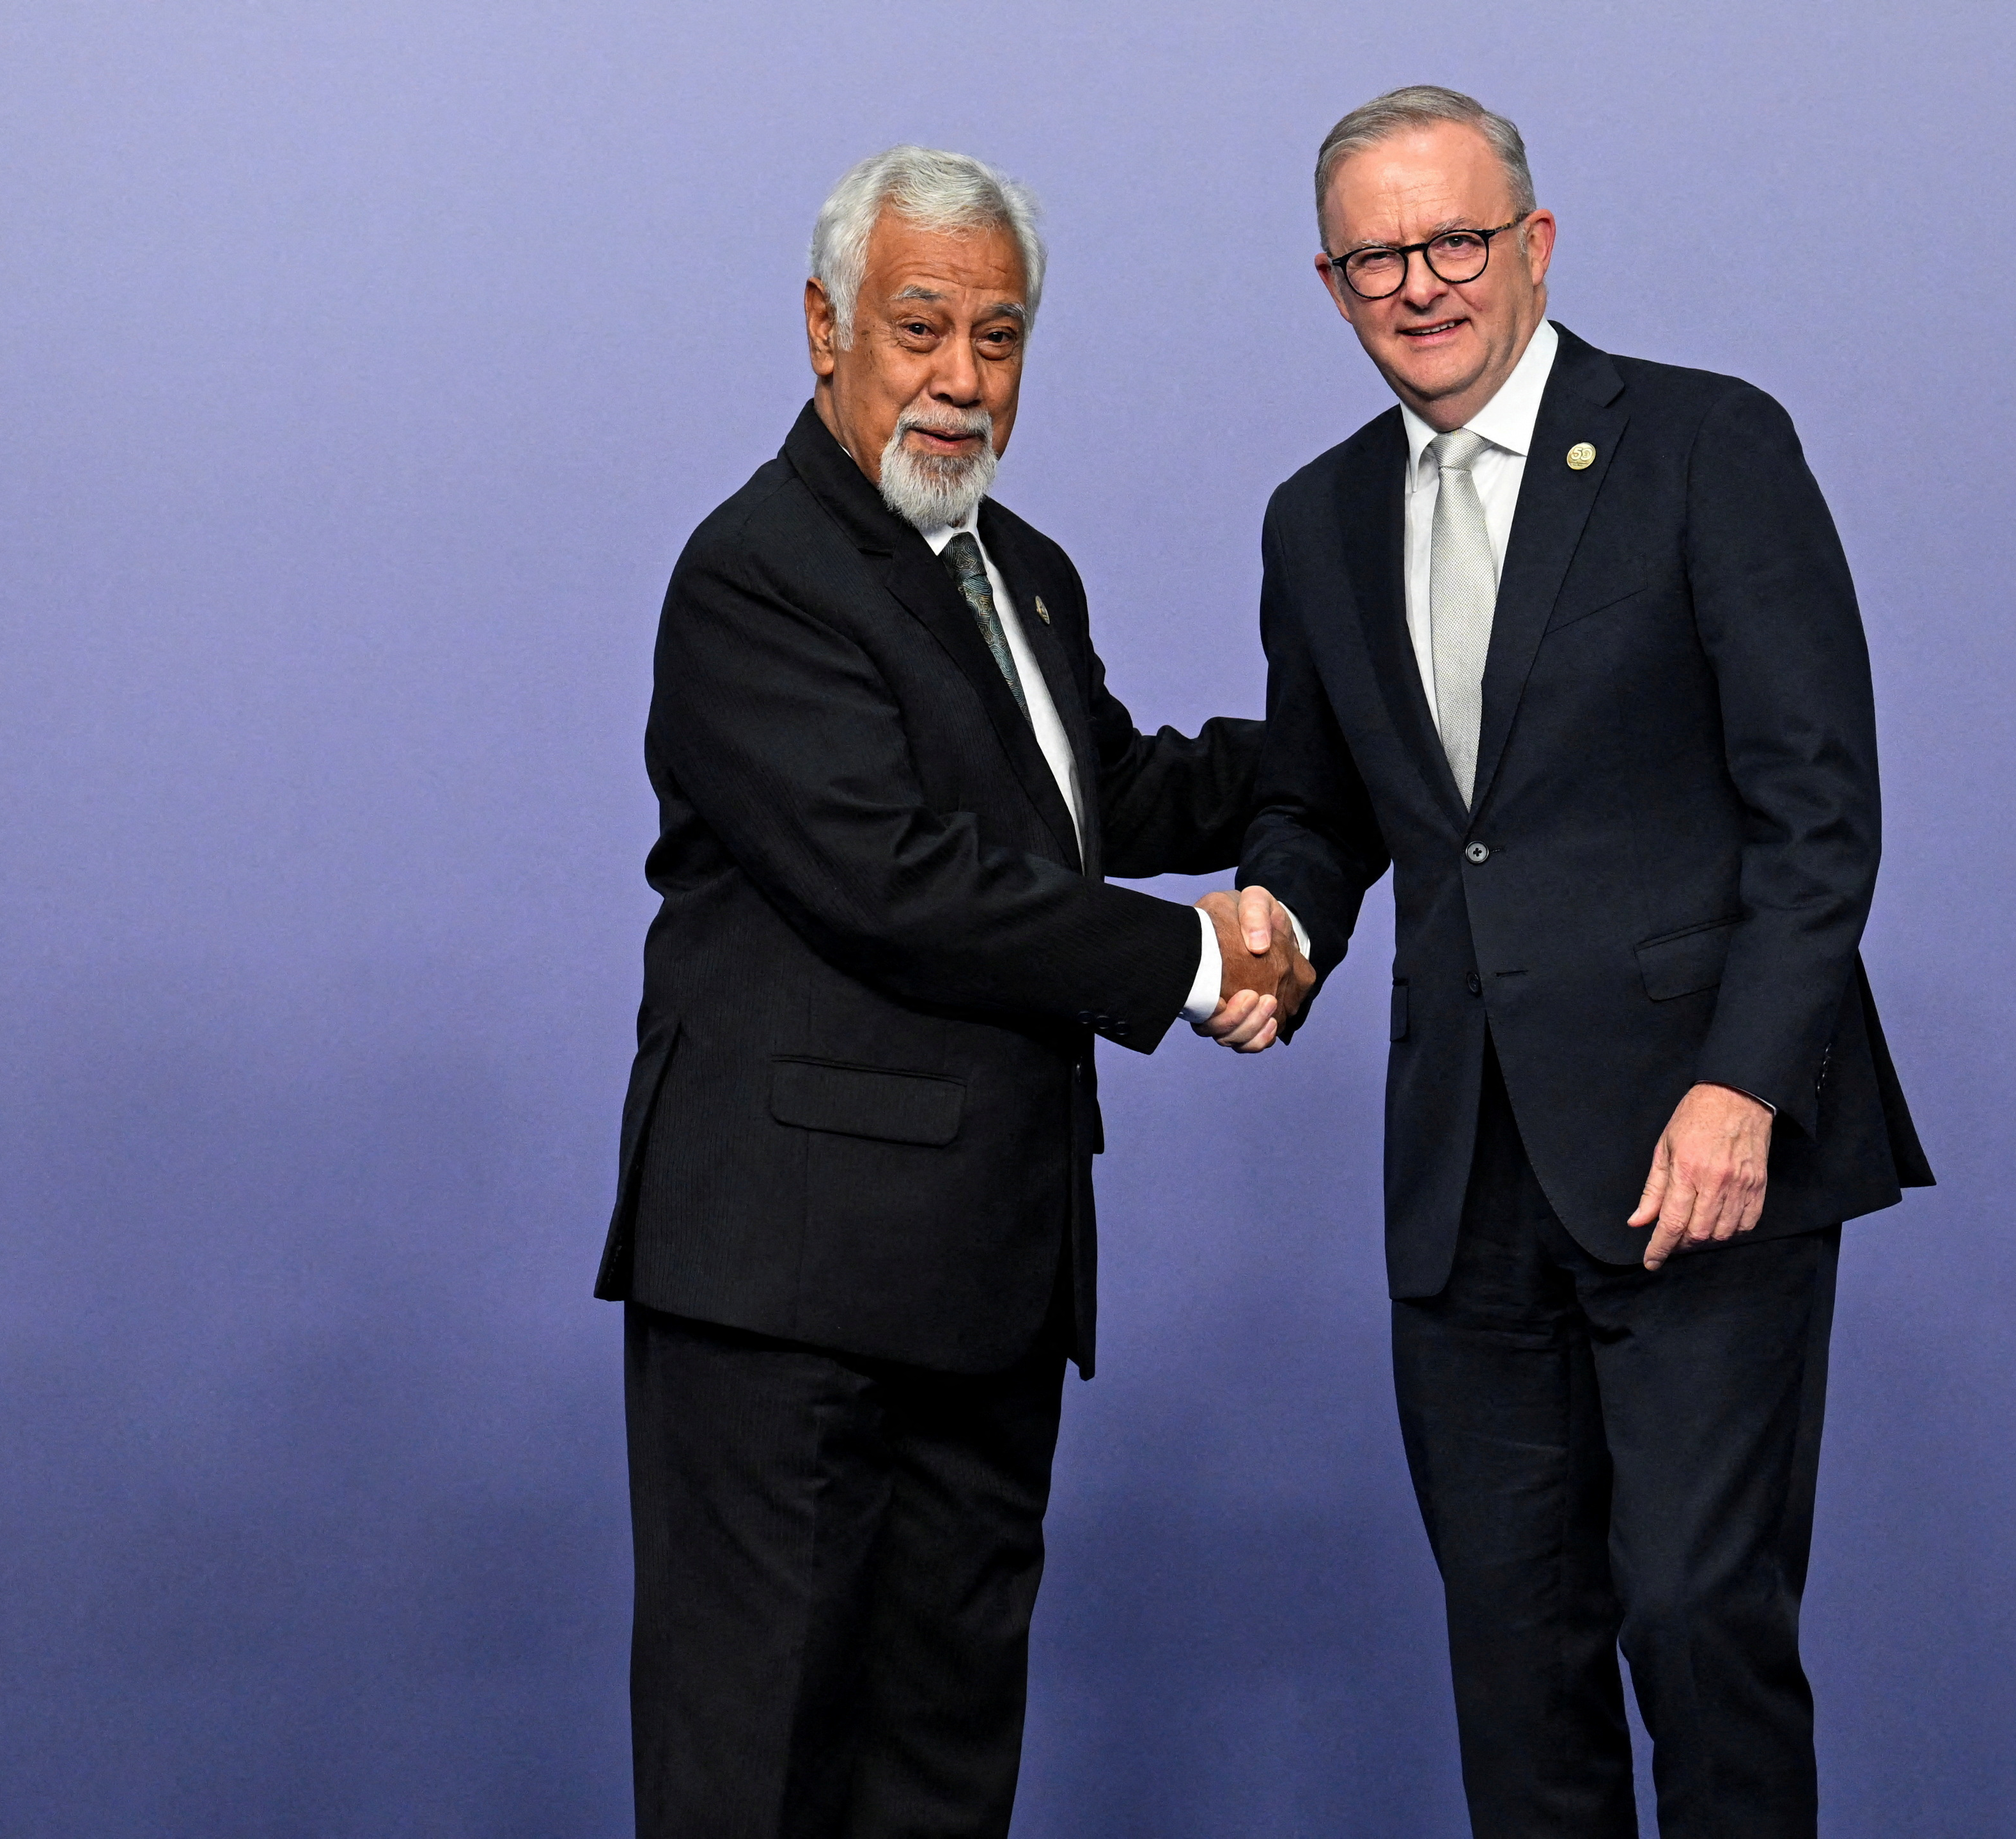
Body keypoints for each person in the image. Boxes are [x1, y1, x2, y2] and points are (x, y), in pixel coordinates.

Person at [1223, 87, 1934, 1836]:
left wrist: (1743, 1081)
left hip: (1700, 1157)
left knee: (1701, 1628)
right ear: (1329, 286)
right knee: (1514, 1665)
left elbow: (1815, 806)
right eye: (1375, 255)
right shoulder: (1314, 521)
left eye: (1453, 239)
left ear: (1532, 246)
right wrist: (1282, 924)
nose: (1419, 283)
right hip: (1464, 1177)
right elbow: (1322, 804)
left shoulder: (1706, 446)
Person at [597, 145, 1308, 1838]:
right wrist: (1199, 955)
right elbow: (894, 878)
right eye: (922, 328)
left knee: (939, 1770)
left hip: (985, 1281)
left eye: (999, 338)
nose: (961, 378)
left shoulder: (1019, 567)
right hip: (790, 1296)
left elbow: (1099, 796)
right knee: (757, 1773)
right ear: (824, 328)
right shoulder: (755, 570)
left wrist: (1354, 753)